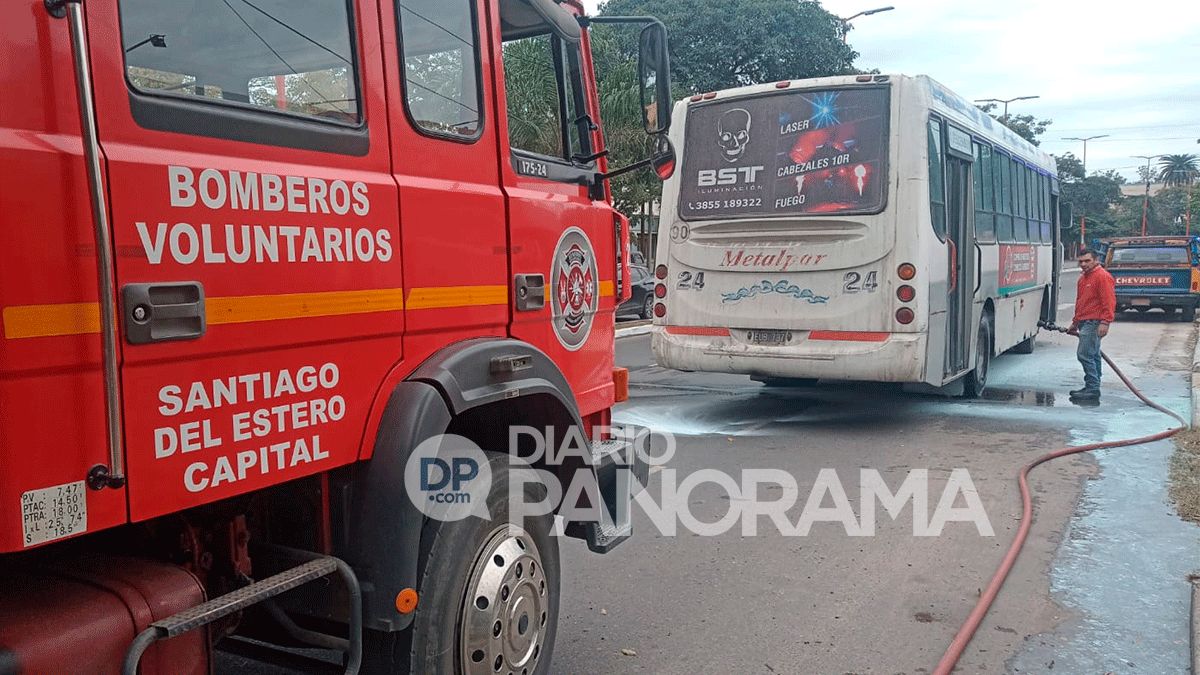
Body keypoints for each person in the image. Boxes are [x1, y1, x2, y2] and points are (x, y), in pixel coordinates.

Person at [1067, 248, 1116, 400]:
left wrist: (1105, 322)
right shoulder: (1083, 279)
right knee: (1093, 354)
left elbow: (1109, 301)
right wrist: (1075, 323)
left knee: (1084, 354)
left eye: (1087, 261)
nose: (1083, 264)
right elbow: (1081, 303)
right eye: (1081, 261)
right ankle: (1093, 387)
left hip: (1094, 322)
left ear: (1095, 260)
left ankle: (1092, 387)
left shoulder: (1102, 277)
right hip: (1084, 321)